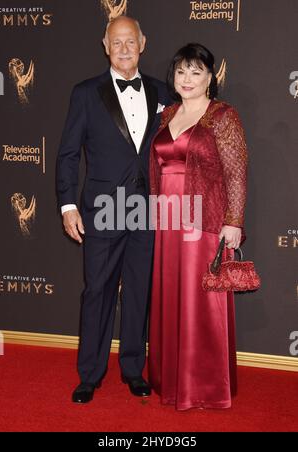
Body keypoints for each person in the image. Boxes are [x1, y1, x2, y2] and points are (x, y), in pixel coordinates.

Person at [56, 16, 170, 404]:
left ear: (143, 42)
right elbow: (69, 154)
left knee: (140, 290)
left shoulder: (163, 92)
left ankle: (134, 369)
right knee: (98, 291)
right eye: (116, 42)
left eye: (131, 41)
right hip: (102, 208)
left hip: (148, 209)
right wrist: (68, 204)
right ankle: (89, 373)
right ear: (105, 45)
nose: (124, 49)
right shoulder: (86, 93)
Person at [148, 43, 248, 410]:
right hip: (168, 222)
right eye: (181, 72)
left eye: (196, 72)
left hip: (203, 222)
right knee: (171, 295)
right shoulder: (168, 114)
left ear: (210, 77)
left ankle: (203, 384)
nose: (187, 79)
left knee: (201, 301)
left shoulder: (223, 115)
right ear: (173, 77)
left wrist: (233, 221)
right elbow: (158, 169)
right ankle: (171, 379)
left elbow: (236, 171)